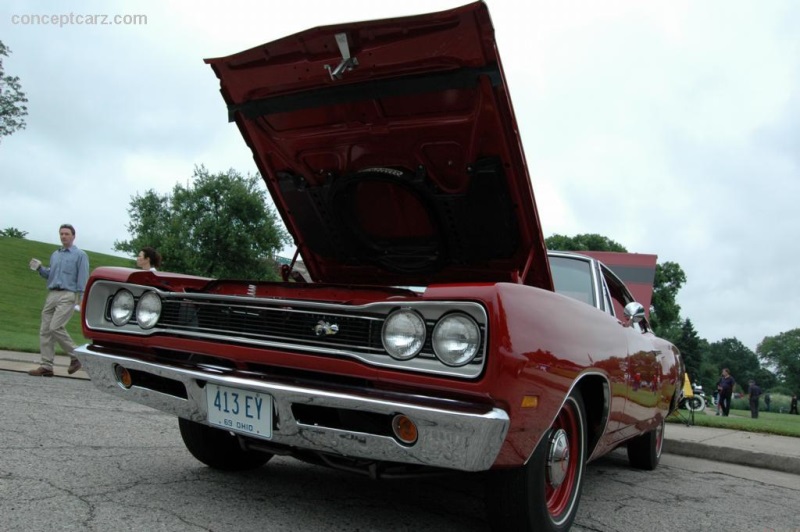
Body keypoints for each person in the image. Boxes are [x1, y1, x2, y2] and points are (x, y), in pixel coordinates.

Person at [28, 224, 90, 377]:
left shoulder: (80, 255)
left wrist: (81, 301)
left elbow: (83, 279)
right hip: (52, 295)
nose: (63, 236)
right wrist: (40, 269)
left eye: (67, 234)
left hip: (68, 295)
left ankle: (76, 355)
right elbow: (50, 275)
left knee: (55, 327)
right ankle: (46, 366)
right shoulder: (55, 254)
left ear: (73, 236)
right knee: (45, 330)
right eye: (61, 234)